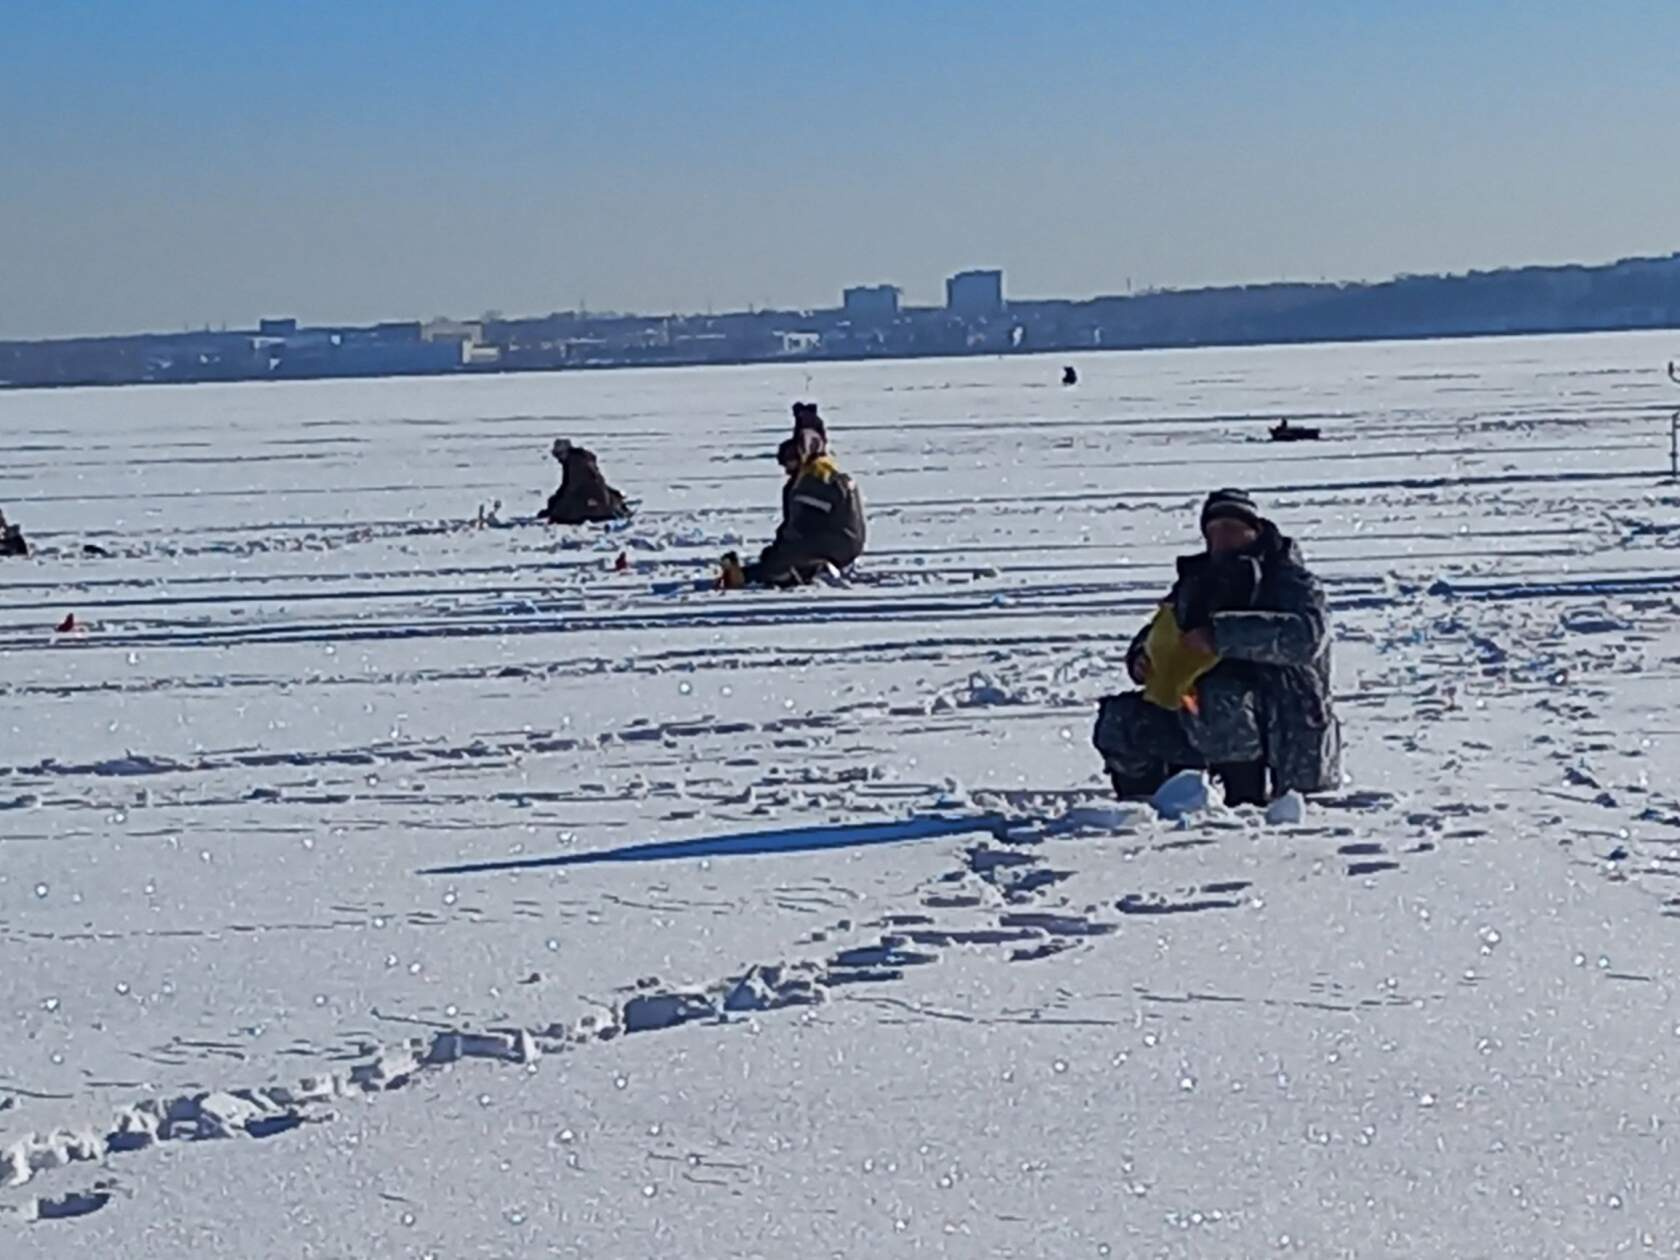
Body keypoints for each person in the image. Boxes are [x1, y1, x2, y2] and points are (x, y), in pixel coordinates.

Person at [1093, 488, 1339, 806]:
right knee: (1121, 717)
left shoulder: (1289, 581)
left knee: (1219, 698)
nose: (1223, 537)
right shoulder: (1198, 582)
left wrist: (1220, 635)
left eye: (1233, 528)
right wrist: (1142, 656)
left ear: (1256, 530)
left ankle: (1246, 802)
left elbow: (1306, 637)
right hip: (1193, 708)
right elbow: (1162, 628)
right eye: (1215, 530)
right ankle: (1146, 806)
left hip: (1281, 718)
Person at [723, 429, 865, 588]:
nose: (786, 470)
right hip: (844, 541)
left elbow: (802, 526)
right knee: (782, 555)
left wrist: (780, 552)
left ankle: (748, 577)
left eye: (789, 463)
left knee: (781, 562)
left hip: (836, 544)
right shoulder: (828, 474)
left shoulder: (814, 480)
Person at [540, 439, 631, 525]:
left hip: (590, 500)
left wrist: (556, 510)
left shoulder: (575, 463)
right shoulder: (581, 459)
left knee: (563, 509)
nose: (558, 459)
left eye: (559, 454)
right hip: (599, 498)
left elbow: (572, 487)